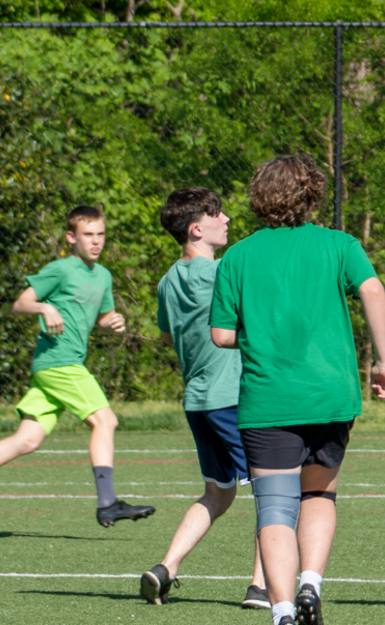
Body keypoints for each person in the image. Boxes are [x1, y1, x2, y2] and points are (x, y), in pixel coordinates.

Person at [210, 156, 385, 625]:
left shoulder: (238, 255)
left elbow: (220, 334)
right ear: (311, 194)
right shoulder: (339, 244)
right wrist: (383, 360)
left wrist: (259, 331)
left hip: (268, 399)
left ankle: (283, 610)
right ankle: (311, 582)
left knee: (274, 505)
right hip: (330, 396)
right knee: (318, 497)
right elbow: (373, 291)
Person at [0, 206, 154, 532]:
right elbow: (21, 304)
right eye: (88, 235)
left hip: (61, 366)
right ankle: (107, 504)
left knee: (27, 440)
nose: (96, 241)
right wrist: (44, 307)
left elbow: (101, 318)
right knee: (106, 420)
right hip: (59, 363)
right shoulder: (60, 270)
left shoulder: (103, 276)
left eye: (100, 234)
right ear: (71, 237)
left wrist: (112, 323)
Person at [139, 187, 267, 609]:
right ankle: (261, 587)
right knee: (276, 490)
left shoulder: (166, 282)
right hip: (235, 398)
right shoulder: (225, 272)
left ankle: (165, 568)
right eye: (217, 213)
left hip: (197, 401)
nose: (227, 218)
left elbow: (165, 334)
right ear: (197, 228)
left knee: (218, 493)